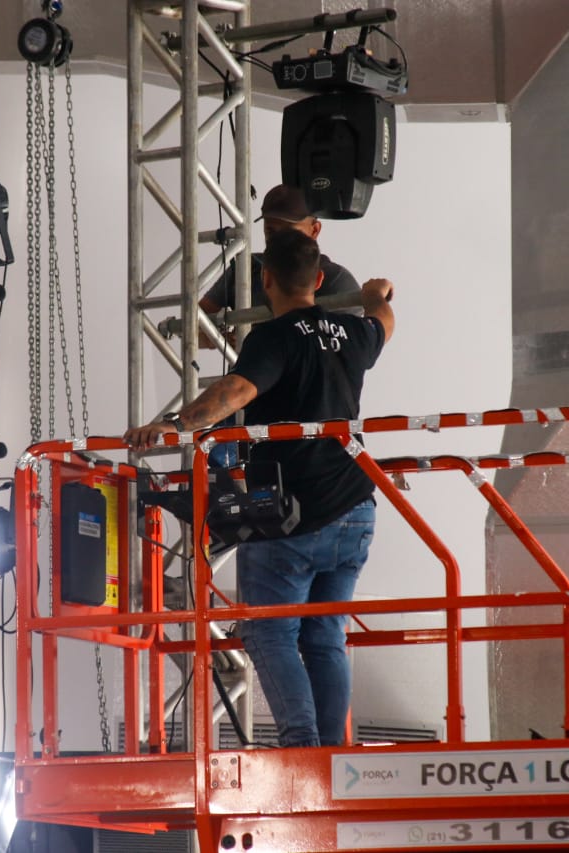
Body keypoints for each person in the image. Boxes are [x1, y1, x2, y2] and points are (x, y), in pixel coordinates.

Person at [125, 228, 395, 747]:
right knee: (325, 635)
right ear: (318, 280)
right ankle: (330, 751)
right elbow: (384, 322)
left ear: (266, 280)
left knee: (271, 632)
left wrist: (175, 426)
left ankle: (301, 746)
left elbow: (237, 390)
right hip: (356, 508)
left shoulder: (273, 339)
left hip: (293, 517)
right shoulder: (352, 332)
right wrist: (374, 297)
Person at [199, 183, 361, 347]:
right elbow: (193, 327)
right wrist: (222, 339)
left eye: (289, 232)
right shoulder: (247, 268)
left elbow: (350, 350)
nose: (279, 241)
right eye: (271, 231)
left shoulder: (337, 282)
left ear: (315, 230)